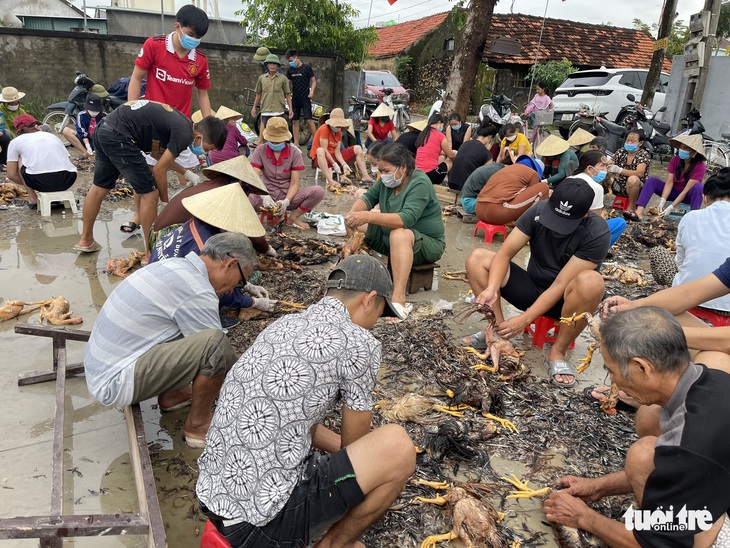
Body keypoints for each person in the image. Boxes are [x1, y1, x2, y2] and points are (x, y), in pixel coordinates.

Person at [196, 254, 416, 547]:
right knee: (398, 446)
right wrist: (377, 459)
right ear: (369, 299)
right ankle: (334, 544)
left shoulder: (285, 324)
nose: (375, 322)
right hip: (259, 526)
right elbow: (354, 449)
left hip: (215, 501)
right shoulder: (360, 343)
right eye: (380, 312)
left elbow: (296, 421)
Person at [544, 306, 730, 548]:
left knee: (642, 454)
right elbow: (684, 470)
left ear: (642, 367)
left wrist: (584, 517)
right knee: (650, 419)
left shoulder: (689, 445)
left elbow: (658, 546)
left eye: (612, 371)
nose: (613, 381)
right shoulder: (712, 380)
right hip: (715, 479)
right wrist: (597, 487)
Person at [85, 232, 257, 447]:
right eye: (240, 282)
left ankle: (173, 396)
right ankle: (197, 426)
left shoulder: (176, 266)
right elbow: (218, 355)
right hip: (114, 382)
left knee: (183, 332)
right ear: (231, 264)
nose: (234, 289)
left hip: (102, 368)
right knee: (215, 346)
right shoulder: (197, 290)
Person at [464, 178, 610, 387]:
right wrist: (492, 289)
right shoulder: (538, 211)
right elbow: (504, 254)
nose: (558, 228)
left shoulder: (597, 232)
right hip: (531, 288)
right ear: (550, 199)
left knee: (592, 282)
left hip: (566, 302)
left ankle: (557, 352)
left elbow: (560, 284)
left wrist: (524, 319)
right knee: (478, 258)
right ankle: (497, 333)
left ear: (586, 214)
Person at [73, 100, 227, 254]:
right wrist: (166, 201)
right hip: (120, 137)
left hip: (105, 130)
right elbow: (159, 170)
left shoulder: (180, 124)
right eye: (206, 148)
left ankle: (86, 240)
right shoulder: (184, 134)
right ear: (199, 137)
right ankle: (150, 253)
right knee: (150, 193)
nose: (203, 152)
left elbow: (157, 155)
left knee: (100, 187)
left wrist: (185, 172)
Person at [127, 5, 213, 232]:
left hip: (181, 126)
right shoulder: (154, 46)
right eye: (191, 35)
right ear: (178, 27)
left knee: (186, 176)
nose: (194, 40)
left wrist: (209, 124)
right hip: (151, 123)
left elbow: (202, 94)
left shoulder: (200, 60)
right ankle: (138, 216)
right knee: (147, 174)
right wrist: (131, 109)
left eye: (199, 37)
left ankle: (180, 219)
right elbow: (136, 78)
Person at [149, 184, 276, 323]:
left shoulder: (199, 223)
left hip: (155, 270)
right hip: (164, 295)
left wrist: (245, 284)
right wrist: (252, 302)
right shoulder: (204, 247)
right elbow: (215, 286)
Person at [346, 143, 445, 319]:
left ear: (403, 167)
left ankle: (399, 299)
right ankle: (355, 267)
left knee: (399, 233)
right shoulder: (386, 182)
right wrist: (355, 215)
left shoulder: (420, 182)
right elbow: (368, 199)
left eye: (386, 170)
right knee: (353, 220)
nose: (382, 175)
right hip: (390, 238)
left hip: (425, 244)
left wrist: (367, 216)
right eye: (380, 170)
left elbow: (405, 220)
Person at [153, 155, 276, 257]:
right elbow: (253, 235)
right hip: (168, 240)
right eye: (248, 189)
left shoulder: (210, 185)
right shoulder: (224, 195)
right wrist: (268, 250)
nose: (248, 193)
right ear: (241, 184)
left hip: (156, 237)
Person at [249, 116, 324, 230]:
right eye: (272, 140)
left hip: (287, 195)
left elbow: (294, 184)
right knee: (241, 193)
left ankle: (293, 217)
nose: (275, 143)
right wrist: (264, 196)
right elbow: (255, 178)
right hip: (265, 194)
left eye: (278, 141)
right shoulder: (260, 151)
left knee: (318, 191)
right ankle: (247, 220)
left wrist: (286, 202)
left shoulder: (295, 153)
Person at [6, 115, 77, 210]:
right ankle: (58, 193)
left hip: (39, 180)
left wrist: (28, 184)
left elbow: (11, 174)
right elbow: (67, 160)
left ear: (18, 130)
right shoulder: (52, 137)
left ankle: (32, 197)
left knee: (21, 158)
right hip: (68, 179)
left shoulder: (15, 142)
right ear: (36, 126)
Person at [631, 134, 707, 222]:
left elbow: (686, 191)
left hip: (687, 196)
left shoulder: (700, 166)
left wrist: (671, 207)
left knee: (699, 188)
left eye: (686, 148)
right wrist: (662, 201)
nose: (682, 150)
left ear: (694, 152)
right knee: (652, 181)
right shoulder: (675, 160)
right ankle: (639, 212)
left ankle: (694, 219)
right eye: (682, 147)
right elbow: (669, 182)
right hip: (673, 192)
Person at [572, 150, 626, 247]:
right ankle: (598, 253)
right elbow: (595, 222)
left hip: (564, 227)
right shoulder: (596, 188)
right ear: (589, 168)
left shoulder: (570, 179)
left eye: (606, 166)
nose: (606, 169)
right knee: (620, 223)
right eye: (602, 166)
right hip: (579, 233)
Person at [474, 155, 547, 225]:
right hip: (496, 213)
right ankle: (532, 225)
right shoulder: (533, 173)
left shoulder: (505, 169)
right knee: (544, 188)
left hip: (478, 209)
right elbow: (531, 199)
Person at [310, 108, 371, 188]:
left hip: (333, 156)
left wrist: (343, 163)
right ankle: (331, 181)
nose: (338, 127)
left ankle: (365, 175)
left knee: (358, 148)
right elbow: (324, 149)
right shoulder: (324, 129)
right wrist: (334, 163)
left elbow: (337, 151)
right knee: (320, 150)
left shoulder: (339, 132)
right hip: (322, 158)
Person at [607, 129, 651, 217]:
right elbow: (611, 162)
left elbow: (639, 173)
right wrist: (609, 166)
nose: (629, 143)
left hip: (637, 187)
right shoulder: (621, 152)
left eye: (633, 141)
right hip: (620, 186)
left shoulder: (643, 154)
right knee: (603, 175)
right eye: (628, 140)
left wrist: (620, 170)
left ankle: (632, 206)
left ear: (640, 143)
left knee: (633, 179)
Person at [252, 54, 293, 137]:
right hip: (265, 107)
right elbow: (258, 94)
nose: (272, 66)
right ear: (267, 65)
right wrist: (254, 107)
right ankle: (260, 141)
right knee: (263, 125)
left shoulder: (283, 78)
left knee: (279, 129)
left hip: (278, 108)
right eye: (270, 64)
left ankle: (281, 143)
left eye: (274, 64)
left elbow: (287, 95)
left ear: (278, 66)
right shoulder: (262, 78)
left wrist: (291, 109)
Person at [447, 122, 496, 192]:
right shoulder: (487, 154)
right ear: (490, 137)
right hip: (467, 187)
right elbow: (485, 176)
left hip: (452, 182)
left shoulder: (465, 144)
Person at [285, 48, 317, 148]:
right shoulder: (290, 70)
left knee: (308, 119)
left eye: (291, 61)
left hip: (305, 98)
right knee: (295, 120)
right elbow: (287, 84)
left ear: (296, 58)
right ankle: (296, 143)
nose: (291, 63)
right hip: (295, 98)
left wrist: (312, 91)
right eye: (289, 62)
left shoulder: (306, 68)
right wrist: (286, 94)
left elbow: (314, 81)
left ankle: (316, 140)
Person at [415, 113, 456, 185]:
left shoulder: (423, 134)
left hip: (417, 174)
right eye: (442, 125)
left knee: (442, 156)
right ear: (439, 122)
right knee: (451, 160)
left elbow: (434, 151)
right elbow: (451, 155)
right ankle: (451, 182)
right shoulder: (440, 135)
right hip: (431, 176)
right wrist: (457, 153)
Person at [62, 94, 106, 158]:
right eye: (91, 110)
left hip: (100, 143)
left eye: (96, 110)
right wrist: (87, 145)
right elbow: (82, 132)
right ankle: (86, 153)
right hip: (86, 140)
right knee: (66, 130)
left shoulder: (105, 117)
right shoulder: (81, 115)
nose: (93, 112)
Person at [0, 86, 28, 167]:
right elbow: (5, 128)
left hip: (24, 134)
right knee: (6, 134)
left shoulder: (20, 110)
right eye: (12, 103)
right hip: (13, 138)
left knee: (45, 127)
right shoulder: (2, 111)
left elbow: (29, 120)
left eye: (16, 102)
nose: (15, 105)